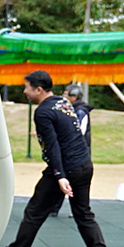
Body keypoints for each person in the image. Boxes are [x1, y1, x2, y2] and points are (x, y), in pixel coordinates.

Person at [0, 70, 112, 247]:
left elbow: (52, 146)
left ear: (38, 89)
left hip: (67, 167)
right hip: (84, 165)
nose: (24, 91)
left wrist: (59, 175)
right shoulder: (62, 102)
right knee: (83, 213)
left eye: (27, 87)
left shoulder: (43, 112)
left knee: (35, 211)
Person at [50, 82, 92, 217]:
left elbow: (78, 131)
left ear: (74, 96)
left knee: (71, 180)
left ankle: (75, 209)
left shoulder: (80, 111)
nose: (63, 97)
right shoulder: (71, 109)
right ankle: (55, 208)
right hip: (74, 152)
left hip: (77, 153)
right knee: (65, 179)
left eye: (65, 94)